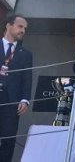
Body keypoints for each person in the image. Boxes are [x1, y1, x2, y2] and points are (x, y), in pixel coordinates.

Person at [0, 15, 32, 162]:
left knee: (8, 139)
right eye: (20, 26)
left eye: (25, 28)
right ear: (8, 26)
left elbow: (27, 78)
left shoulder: (25, 54)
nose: (23, 30)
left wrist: (25, 99)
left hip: (11, 101)